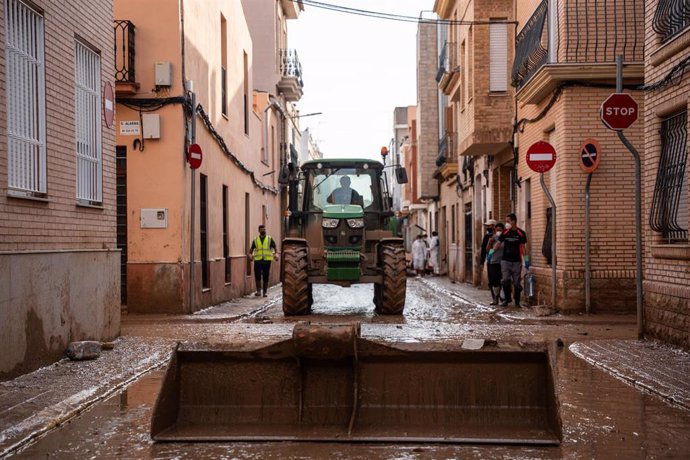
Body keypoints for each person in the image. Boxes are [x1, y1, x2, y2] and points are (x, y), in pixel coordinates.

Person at [498, 213, 528, 307]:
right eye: (506, 221)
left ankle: (517, 302)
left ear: (514, 221)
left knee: (516, 283)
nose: (506, 223)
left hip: (516, 261)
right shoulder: (505, 232)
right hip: (505, 261)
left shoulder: (521, 233)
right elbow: (498, 244)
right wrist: (490, 253)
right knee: (505, 280)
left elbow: (523, 248)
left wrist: (526, 260)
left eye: (508, 221)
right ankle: (507, 300)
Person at [248, 224, 278, 297]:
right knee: (257, 275)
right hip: (258, 260)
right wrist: (250, 255)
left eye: (264, 229)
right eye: (261, 229)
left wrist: (276, 254)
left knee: (266, 275)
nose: (263, 230)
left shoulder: (269, 239)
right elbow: (251, 249)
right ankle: (258, 291)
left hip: (267, 260)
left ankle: (265, 292)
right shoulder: (255, 240)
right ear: (259, 231)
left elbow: (274, 246)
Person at [486, 222, 505, 305]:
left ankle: (503, 298)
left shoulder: (505, 238)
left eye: (500, 230)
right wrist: (489, 242)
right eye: (497, 230)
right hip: (494, 262)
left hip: (504, 262)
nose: (498, 232)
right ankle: (495, 298)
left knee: (503, 281)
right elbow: (488, 250)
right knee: (494, 281)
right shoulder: (493, 238)